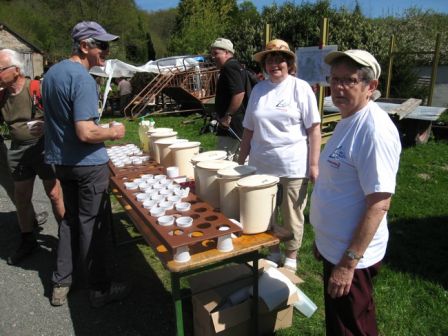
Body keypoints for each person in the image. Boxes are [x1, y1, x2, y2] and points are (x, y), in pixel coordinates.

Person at [310, 50, 401, 335]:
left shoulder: (373, 130)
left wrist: (348, 264)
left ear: (370, 86)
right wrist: (323, 239)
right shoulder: (348, 118)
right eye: (334, 79)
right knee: (345, 323)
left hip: (352, 258)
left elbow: (379, 204)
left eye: (348, 80)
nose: (338, 88)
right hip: (334, 248)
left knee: (351, 328)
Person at [42, 21, 129, 308]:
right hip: (86, 163)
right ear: (84, 46)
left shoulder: (51, 74)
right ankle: (100, 288)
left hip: (62, 162)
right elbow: (85, 132)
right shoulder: (82, 79)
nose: (107, 50)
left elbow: (61, 121)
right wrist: (113, 132)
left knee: (69, 220)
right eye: (102, 45)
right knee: (93, 225)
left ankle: (61, 282)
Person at [238, 39, 321, 271]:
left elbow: (314, 129)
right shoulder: (258, 90)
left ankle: (291, 256)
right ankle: (273, 251)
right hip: (261, 164)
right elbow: (248, 129)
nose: (275, 63)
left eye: (280, 59)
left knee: (292, 212)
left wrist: (314, 165)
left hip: (293, 164)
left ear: (289, 63)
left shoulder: (300, 88)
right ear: (265, 64)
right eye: (270, 59)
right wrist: (240, 161)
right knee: (266, 211)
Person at [0, 48, 64, 266]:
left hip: (43, 147)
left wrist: (47, 126)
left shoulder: (37, 88)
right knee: (21, 197)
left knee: (54, 194)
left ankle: (65, 239)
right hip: (18, 150)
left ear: (16, 70)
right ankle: (28, 239)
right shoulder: (2, 95)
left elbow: (62, 116)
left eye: (0, 69)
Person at [210, 38, 248, 161]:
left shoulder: (229, 67)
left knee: (223, 160)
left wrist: (227, 116)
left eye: (216, 53)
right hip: (239, 122)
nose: (213, 57)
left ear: (226, 52)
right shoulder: (236, 66)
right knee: (239, 159)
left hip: (232, 124)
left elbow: (239, 93)